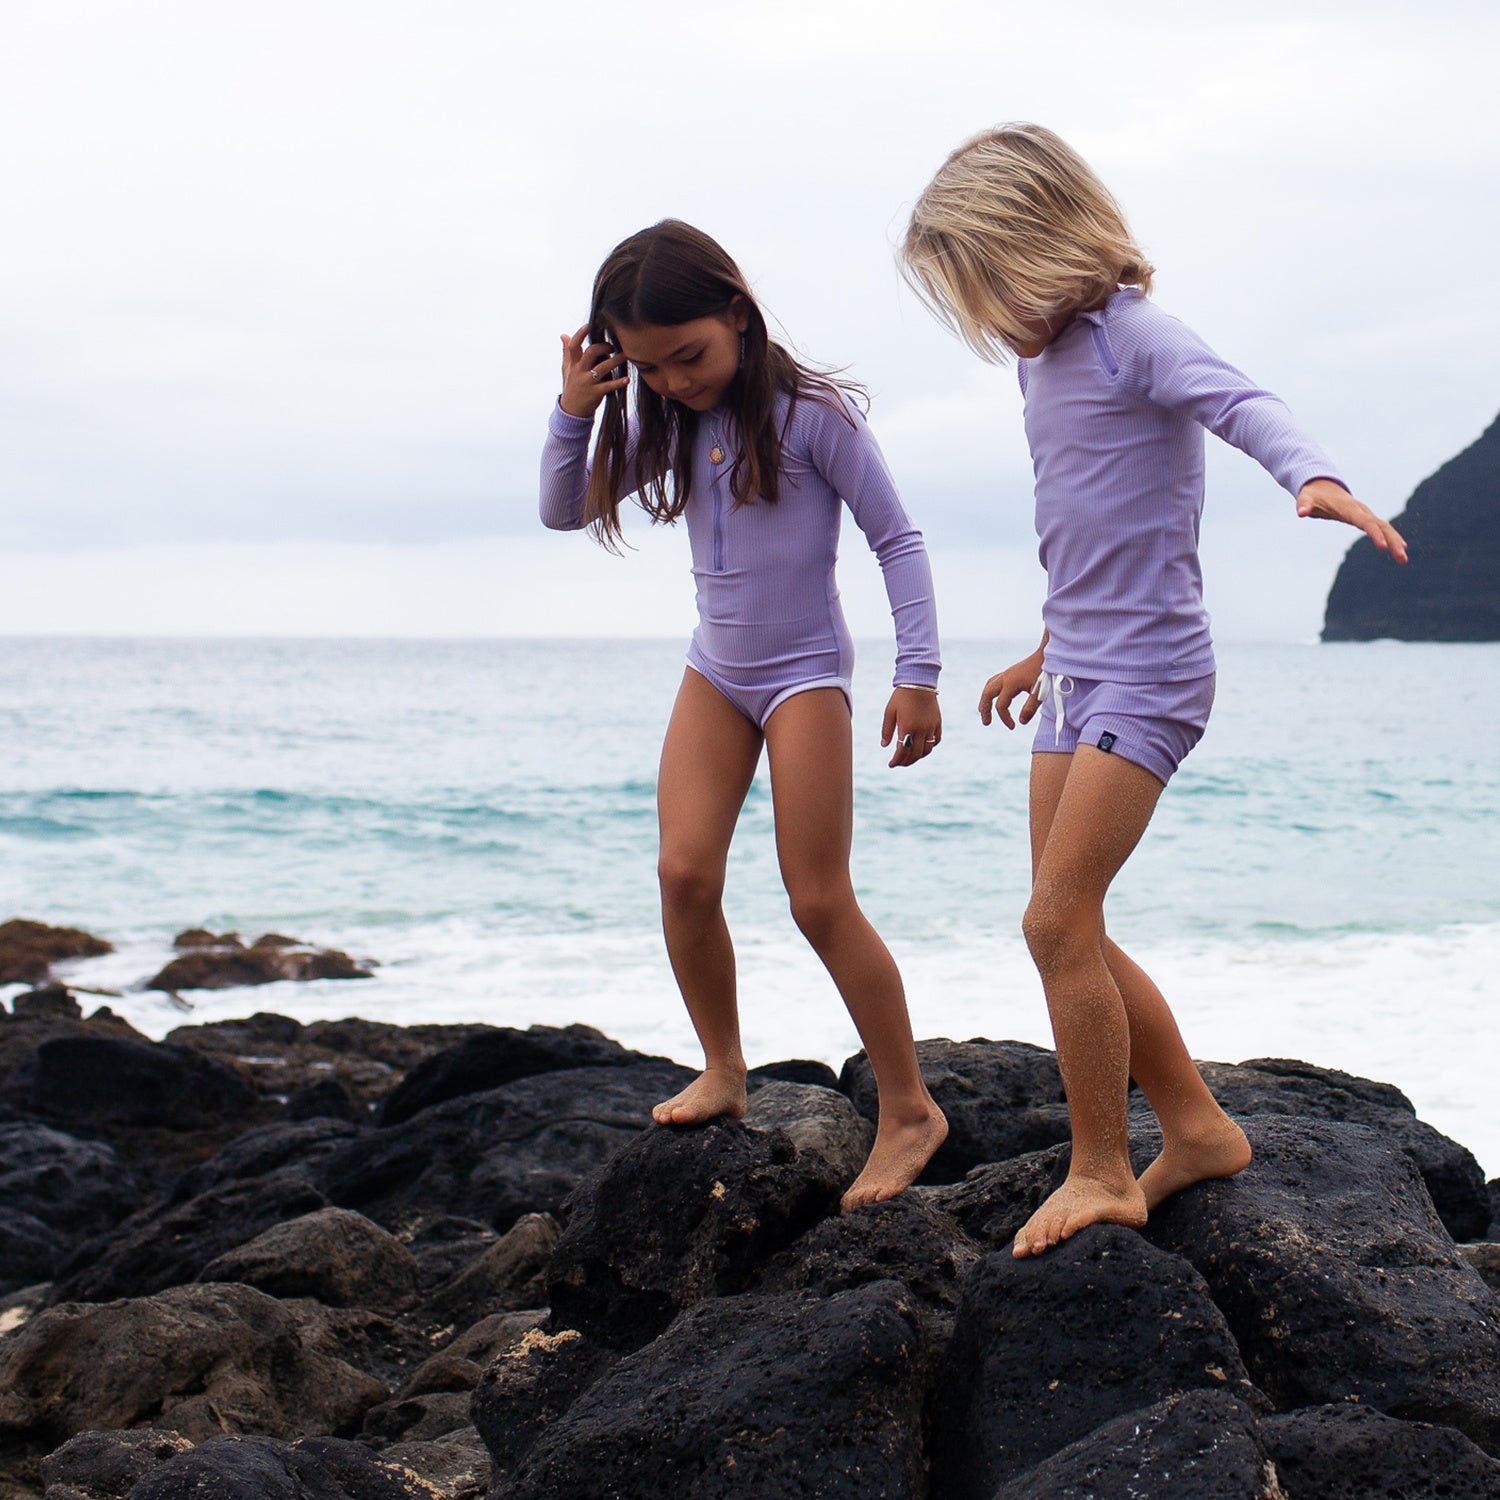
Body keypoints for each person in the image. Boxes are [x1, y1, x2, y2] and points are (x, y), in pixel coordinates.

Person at [899, 123, 1408, 1256]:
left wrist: (1313, 476)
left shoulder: (1133, 336)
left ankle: (1102, 1171)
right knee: (1064, 922)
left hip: (1154, 675)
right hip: (1081, 667)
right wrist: (1043, 649)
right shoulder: (1043, 365)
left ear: (1035, 248)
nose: (984, 317)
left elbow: (1243, 403)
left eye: (983, 287)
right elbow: (1089, 528)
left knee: (1053, 920)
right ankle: (1196, 1127)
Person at [540, 219, 949, 1209]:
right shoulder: (669, 422)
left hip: (806, 673)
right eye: (651, 368)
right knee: (683, 872)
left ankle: (908, 1110)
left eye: (691, 357)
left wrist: (919, 675)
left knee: (817, 897)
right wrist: (574, 411)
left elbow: (896, 538)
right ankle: (725, 1070)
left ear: (737, 312)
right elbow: (563, 508)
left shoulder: (816, 415)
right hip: (716, 671)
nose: (677, 381)